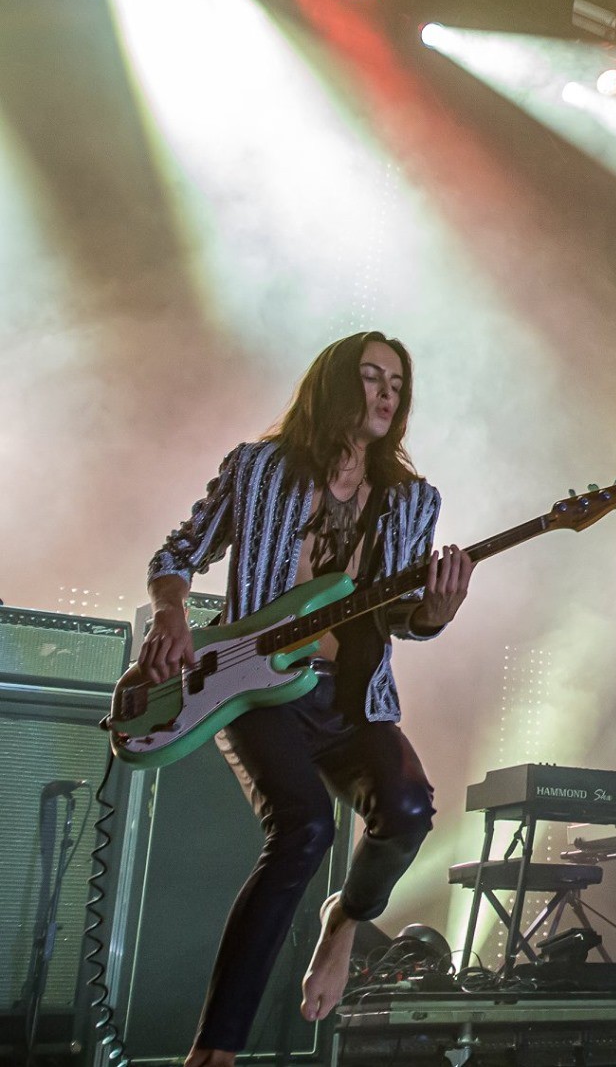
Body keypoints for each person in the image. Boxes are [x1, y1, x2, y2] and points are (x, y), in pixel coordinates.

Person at [136, 332, 474, 1066]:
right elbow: (176, 554)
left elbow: (400, 616)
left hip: (350, 700)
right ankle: (215, 1049)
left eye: (397, 383)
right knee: (305, 828)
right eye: (371, 377)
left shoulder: (412, 500)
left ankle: (344, 919)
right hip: (255, 687)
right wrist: (170, 613)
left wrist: (434, 614)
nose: (387, 393)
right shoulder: (257, 469)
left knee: (410, 806)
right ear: (331, 385)